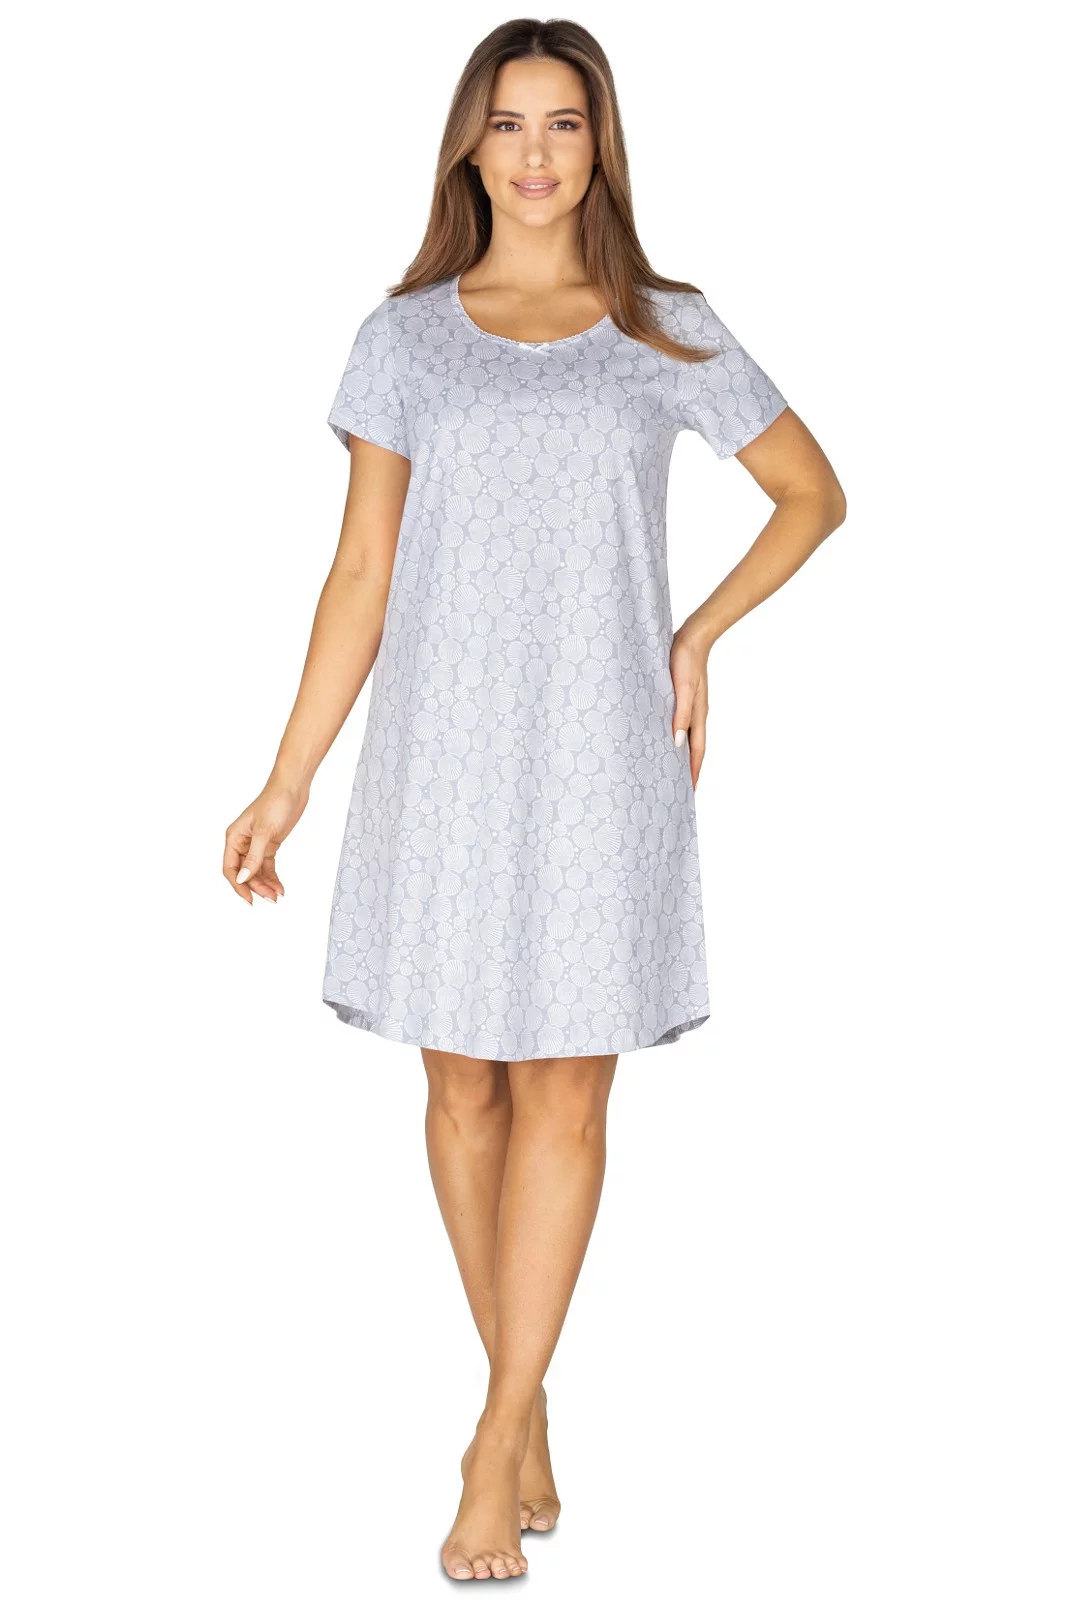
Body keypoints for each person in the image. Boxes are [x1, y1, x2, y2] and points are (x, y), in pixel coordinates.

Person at [222, 17, 845, 1583]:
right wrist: (286, 779)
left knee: (568, 1088)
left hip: (603, 756)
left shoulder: (664, 325)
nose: (538, 152)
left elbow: (811, 493)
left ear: (601, 144)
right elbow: (362, 571)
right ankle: (530, 1387)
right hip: (440, 752)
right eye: (510, 124)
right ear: (470, 145)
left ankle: (492, 1440)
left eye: (566, 123)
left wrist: (697, 634)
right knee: (464, 1094)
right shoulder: (405, 337)